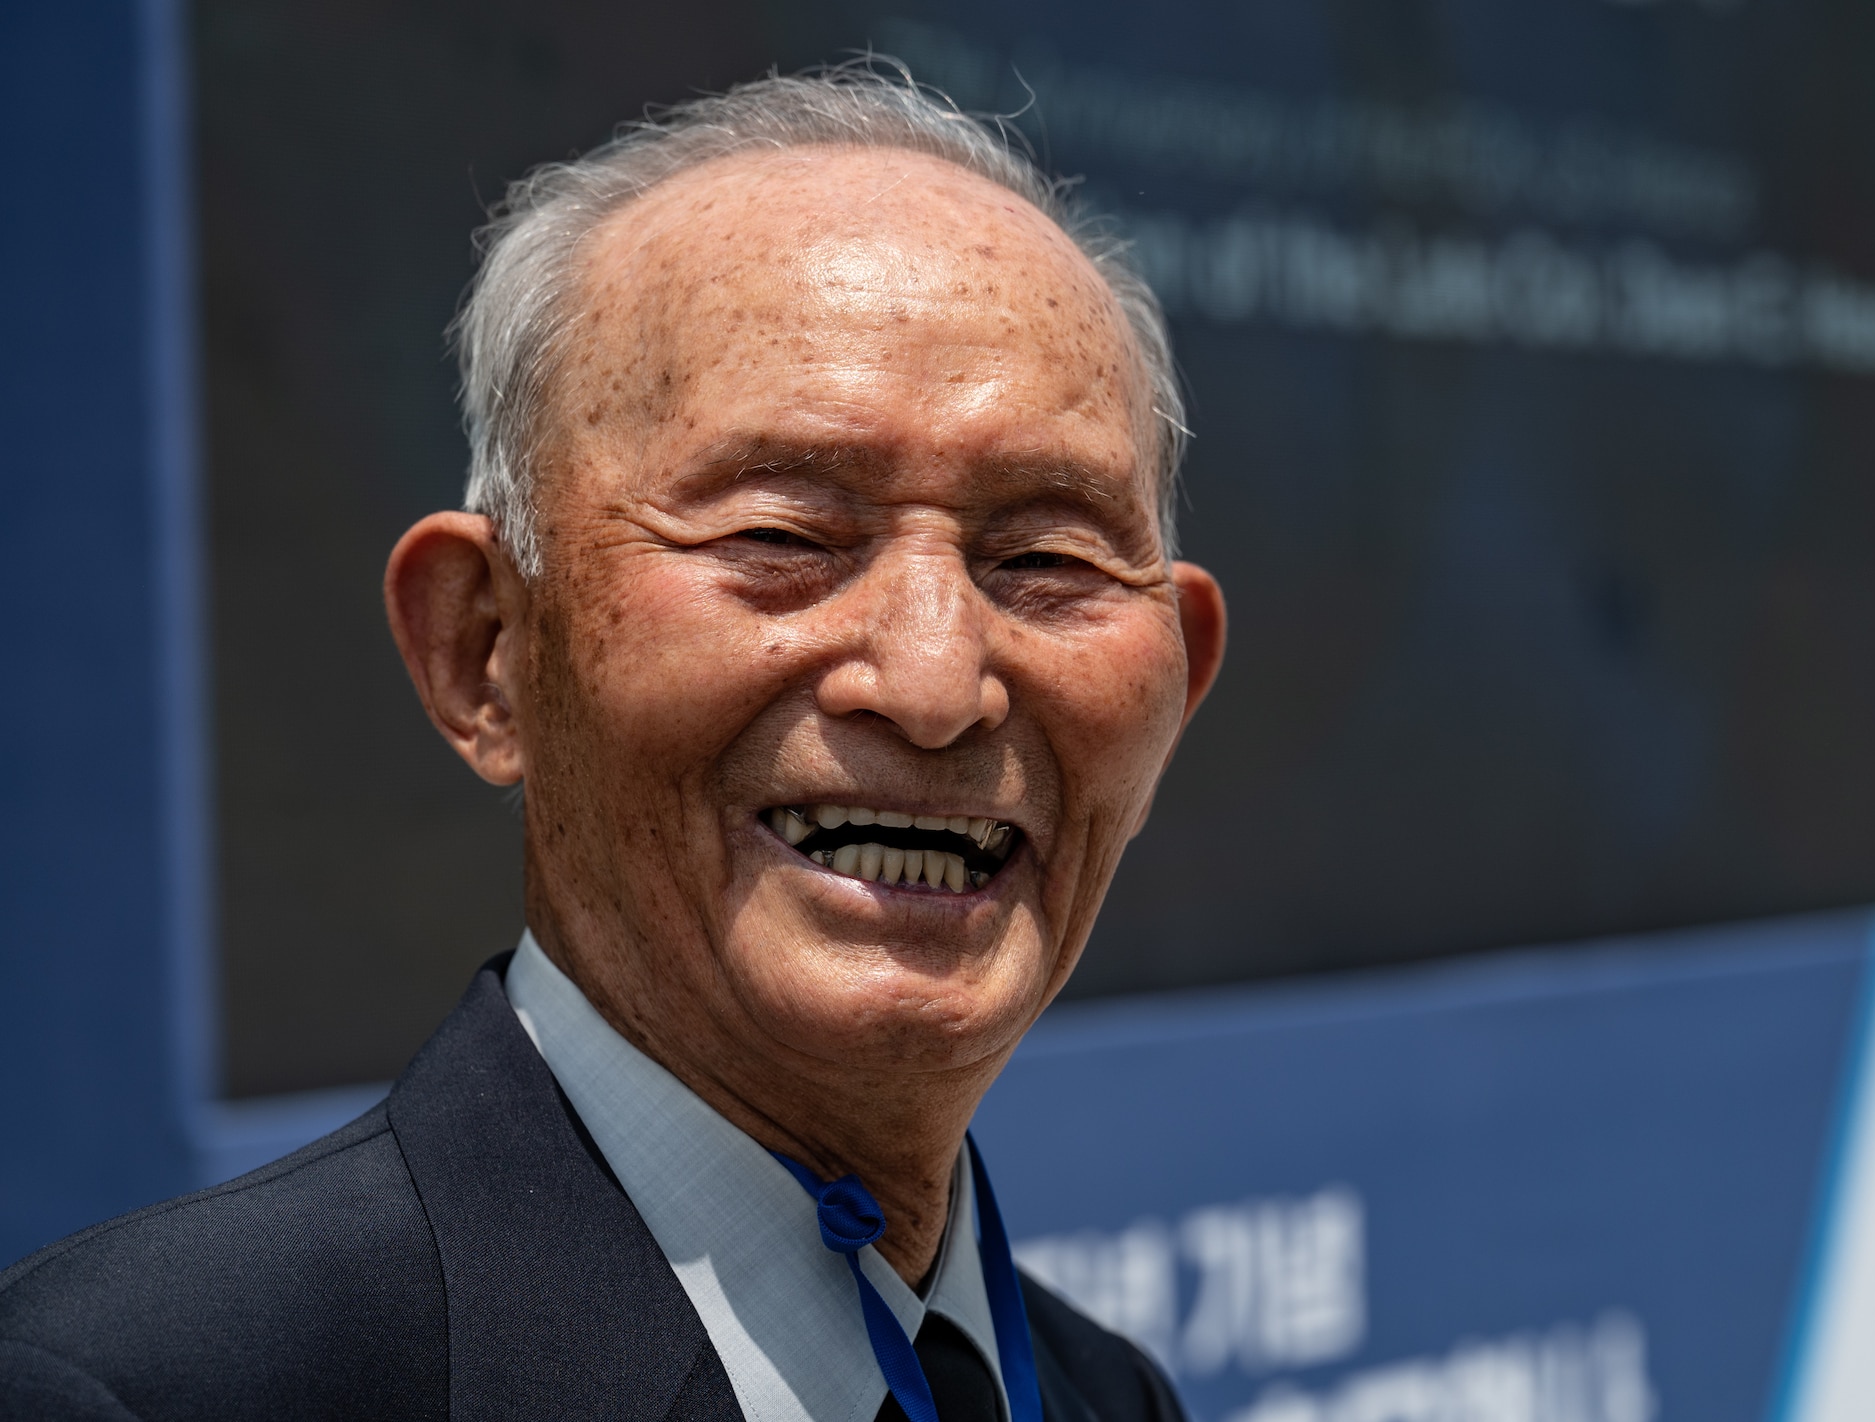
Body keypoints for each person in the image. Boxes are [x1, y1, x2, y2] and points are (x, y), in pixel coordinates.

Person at [0, 64, 1225, 1421]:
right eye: (781, 537)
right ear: (485, 649)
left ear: (1179, 683)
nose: (934, 682)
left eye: (1045, 555)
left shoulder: (1106, 1395)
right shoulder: (154, 1390)